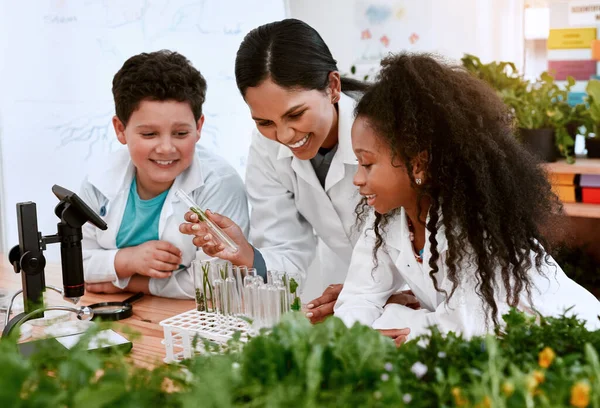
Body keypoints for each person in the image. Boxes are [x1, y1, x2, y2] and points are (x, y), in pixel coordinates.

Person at [334, 53, 600, 342]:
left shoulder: (477, 226)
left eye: (367, 163)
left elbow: (459, 330)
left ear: (418, 163)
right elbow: (356, 301)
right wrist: (379, 322)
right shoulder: (386, 222)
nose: (357, 178)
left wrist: (391, 313)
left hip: (569, 344)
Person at [179, 19, 418, 322]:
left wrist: (378, 296)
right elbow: (286, 249)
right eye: (264, 122)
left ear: (332, 86)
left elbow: (419, 240)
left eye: (295, 114)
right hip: (349, 302)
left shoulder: (388, 131)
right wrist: (246, 254)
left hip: (417, 301)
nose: (284, 136)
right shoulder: (267, 149)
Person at [80, 50, 249, 298]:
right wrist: (127, 261)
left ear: (199, 127)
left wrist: (128, 283)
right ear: (120, 129)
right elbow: (74, 264)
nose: (166, 148)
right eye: (149, 134)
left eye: (181, 133)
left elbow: (217, 281)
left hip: (192, 320)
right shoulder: (99, 181)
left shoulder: (220, 183)